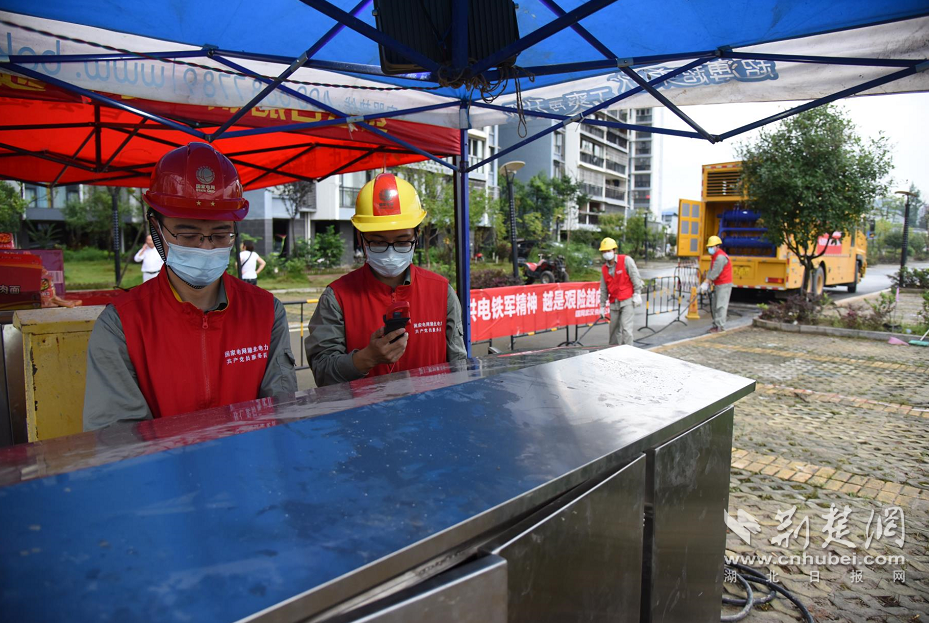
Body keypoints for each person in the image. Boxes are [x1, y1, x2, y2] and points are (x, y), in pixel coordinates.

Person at [83, 142, 297, 430]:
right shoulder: (121, 323)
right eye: (188, 235)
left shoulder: (266, 312)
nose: (205, 247)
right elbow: (118, 437)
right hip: (162, 461)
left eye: (220, 235)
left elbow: (281, 414)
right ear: (156, 229)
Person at [305, 173, 467, 387]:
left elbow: (458, 366)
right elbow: (322, 372)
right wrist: (365, 359)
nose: (391, 252)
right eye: (378, 242)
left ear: (416, 236)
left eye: (402, 241)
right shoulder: (337, 297)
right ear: (361, 238)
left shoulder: (442, 291)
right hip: (364, 409)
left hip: (431, 406)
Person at [598, 237, 643, 346]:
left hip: (627, 300)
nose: (606, 253)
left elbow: (635, 276)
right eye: (604, 251)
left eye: (608, 251)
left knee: (626, 329)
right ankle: (613, 351)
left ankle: (627, 352)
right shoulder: (604, 269)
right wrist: (602, 305)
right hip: (614, 302)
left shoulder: (626, 260)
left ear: (614, 250)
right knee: (613, 330)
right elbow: (604, 288)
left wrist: (637, 293)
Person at [700, 235, 732, 333]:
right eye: (709, 247)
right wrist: (706, 282)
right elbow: (711, 270)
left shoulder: (720, 257)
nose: (709, 248)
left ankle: (720, 327)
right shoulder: (715, 256)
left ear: (717, 246)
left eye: (711, 246)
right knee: (715, 305)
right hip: (718, 283)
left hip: (724, 284)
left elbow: (715, 272)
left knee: (720, 306)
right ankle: (716, 325)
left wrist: (707, 282)